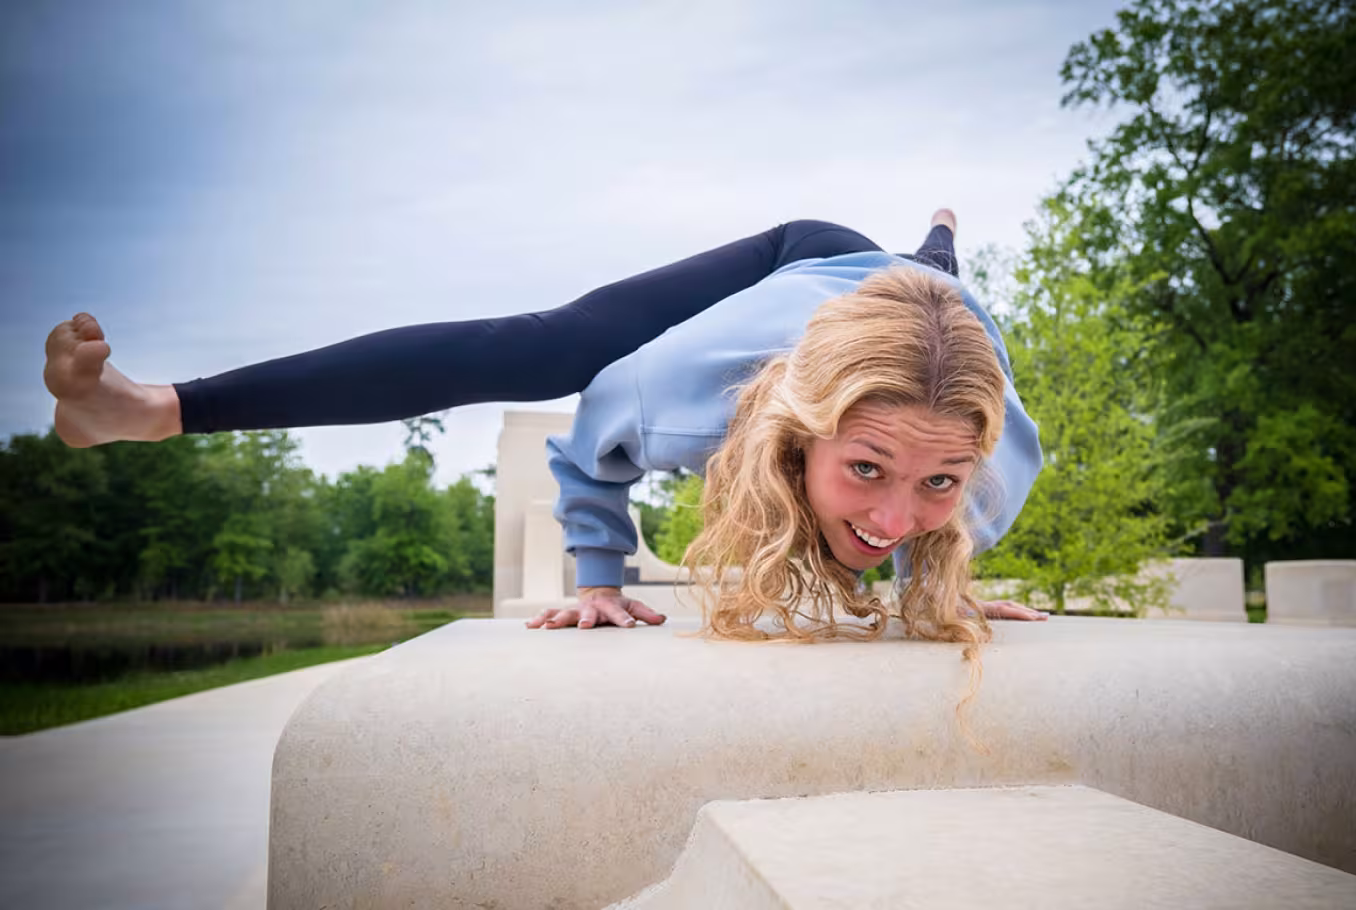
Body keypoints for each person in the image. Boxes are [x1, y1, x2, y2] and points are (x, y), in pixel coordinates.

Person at [42, 209, 1045, 649]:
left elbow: (923, 497)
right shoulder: (675, 395)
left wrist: (937, 584)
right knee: (546, 343)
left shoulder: (989, 469)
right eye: (864, 467)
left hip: (928, 317)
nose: (889, 513)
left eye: (934, 486)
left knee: (936, 275)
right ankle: (154, 407)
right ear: (800, 429)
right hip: (806, 256)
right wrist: (597, 580)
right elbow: (583, 451)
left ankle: (938, 237)